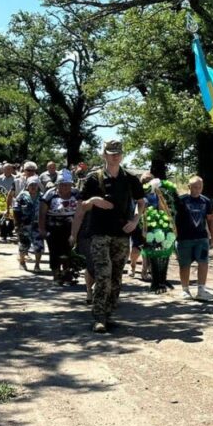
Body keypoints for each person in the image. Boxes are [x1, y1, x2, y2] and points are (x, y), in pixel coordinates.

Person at [70, 140, 146, 334]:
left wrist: (136, 220)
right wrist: (94, 201)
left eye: (118, 153)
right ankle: (99, 317)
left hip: (121, 234)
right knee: (103, 275)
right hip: (100, 233)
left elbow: (141, 201)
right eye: (111, 153)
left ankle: (109, 312)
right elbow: (82, 206)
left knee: (116, 277)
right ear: (104, 154)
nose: (115, 156)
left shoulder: (130, 178)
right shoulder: (93, 179)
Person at [173, 175, 213, 301]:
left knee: (203, 262)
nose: (197, 189)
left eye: (200, 187)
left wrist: (212, 236)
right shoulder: (181, 200)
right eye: (194, 187)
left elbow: (210, 219)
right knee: (184, 264)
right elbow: (172, 218)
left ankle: (201, 289)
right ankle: (185, 290)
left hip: (201, 238)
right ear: (189, 187)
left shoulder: (206, 201)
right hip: (184, 238)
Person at [40, 169, 80, 285]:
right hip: (53, 225)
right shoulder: (50, 194)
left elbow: (81, 211)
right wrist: (42, 228)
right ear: (58, 184)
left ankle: (67, 273)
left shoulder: (76, 194)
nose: (65, 187)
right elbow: (42, 213)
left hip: (70, 225)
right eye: (62, 185)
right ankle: (56, 274)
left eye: (68, 185)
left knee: (68, 250)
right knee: (54, 251)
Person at [13, 176, 44, 272]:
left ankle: (37, 265)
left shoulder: (42, 196)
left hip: (38, 225)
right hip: (24, 225)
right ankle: (22, 262)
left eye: (35, 185)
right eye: (31, 185)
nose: (33, 187)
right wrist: (17, 224)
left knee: (38, 246)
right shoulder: (22, 196)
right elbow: (16, 210)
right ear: (27, 186)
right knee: (23, 245)